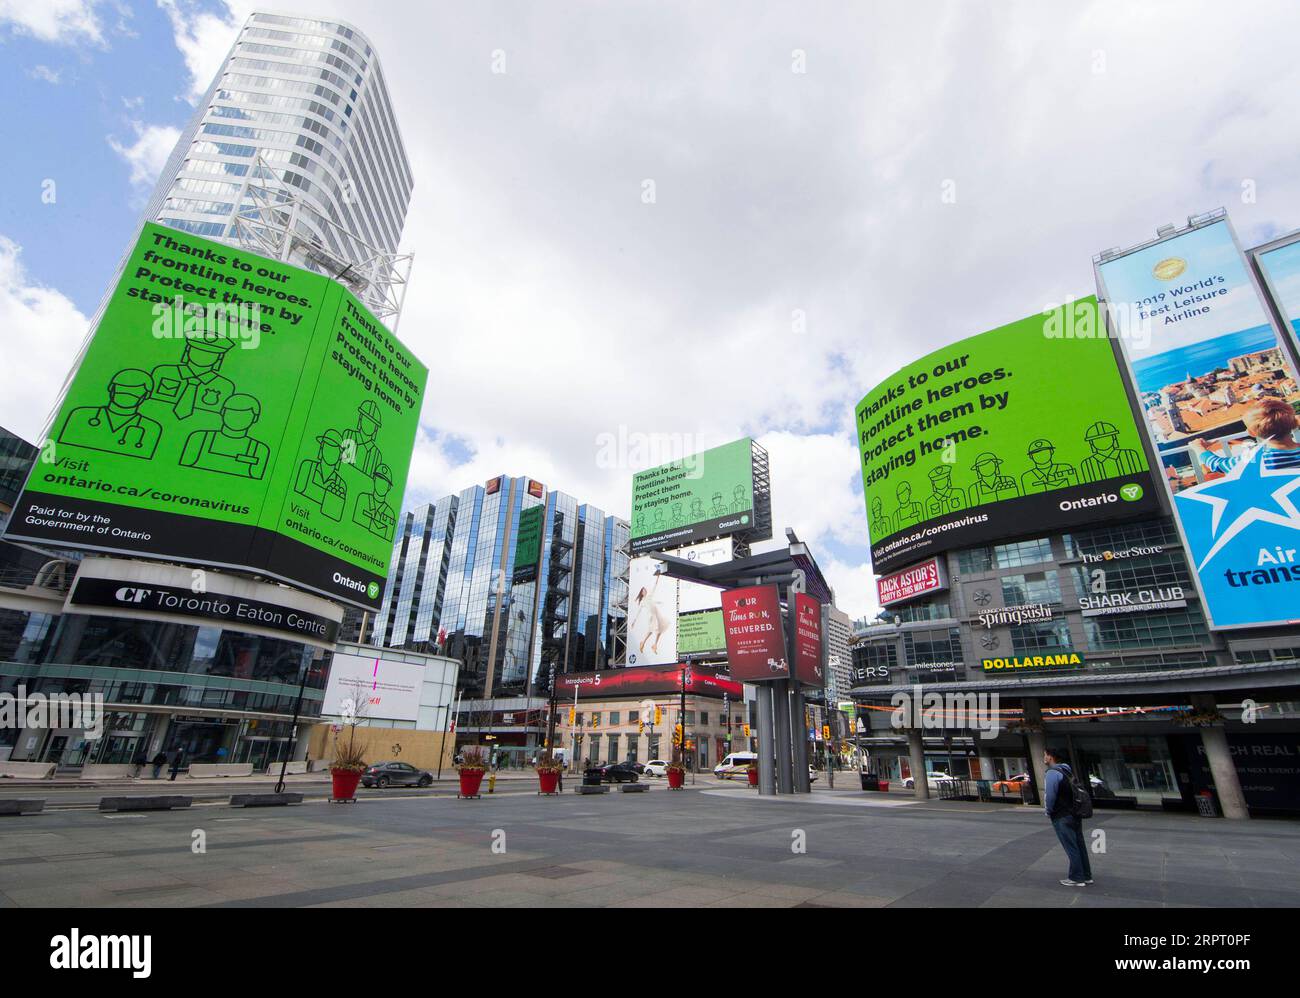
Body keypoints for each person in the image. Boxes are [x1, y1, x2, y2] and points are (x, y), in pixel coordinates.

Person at [1191, 399, 1300, 475]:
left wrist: (1199, 447)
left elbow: (1217, 464)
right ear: (1294, 423)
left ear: (1252, 433)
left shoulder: (1256, 460)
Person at [1044, 747, 1092, 887]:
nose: (1044, 757)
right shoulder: (1066, 770)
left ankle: (1077, 877)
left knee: (1071, 846)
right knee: (1079, 845)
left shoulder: (1052, 773)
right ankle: (1086, 875)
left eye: (1045, 755)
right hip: (1074, 813)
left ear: (1050, 757)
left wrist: (1048, 810)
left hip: (1061, 815)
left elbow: (1050, 795)